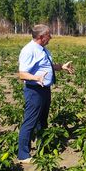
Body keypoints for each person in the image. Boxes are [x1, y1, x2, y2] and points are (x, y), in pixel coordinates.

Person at [17, 24, 74, 163]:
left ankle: (42, 145)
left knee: (42, 121)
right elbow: (22, 74)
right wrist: (36, 78)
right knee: (30, 122)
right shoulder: (29, 50)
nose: (51, 37)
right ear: (41, 37)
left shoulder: (42, 49)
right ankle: (23, 155)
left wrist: (61, 67)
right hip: (34, 91)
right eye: (49, 34)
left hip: (44, 89)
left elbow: (46, 66)